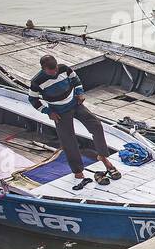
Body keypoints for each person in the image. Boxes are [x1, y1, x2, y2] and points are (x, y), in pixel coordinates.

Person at [27, 54, 121, 191]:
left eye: (55, 69)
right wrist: (48, 112)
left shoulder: (64, 69)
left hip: (75, 104)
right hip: (59, 113)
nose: (54, 73)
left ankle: (103, 156)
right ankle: (78, 171)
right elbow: (32, 99)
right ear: (43, 69)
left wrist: (80, 93)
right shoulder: (37, 82)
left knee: (96, 125)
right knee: (68, 141)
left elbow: (76, 81)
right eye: (51, 71)